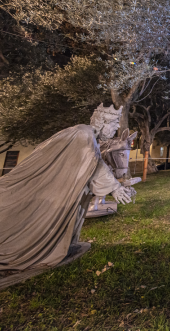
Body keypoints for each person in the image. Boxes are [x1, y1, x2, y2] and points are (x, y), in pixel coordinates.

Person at [0, 104, 132, 288]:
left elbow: (94, 164)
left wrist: (118, 186)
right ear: (102, 122)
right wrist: (114, 187)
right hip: (41, 187)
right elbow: (93, 161)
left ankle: (55, 246)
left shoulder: (89, 137)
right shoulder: (82, 134)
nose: (117, 128)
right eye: (114, 123)